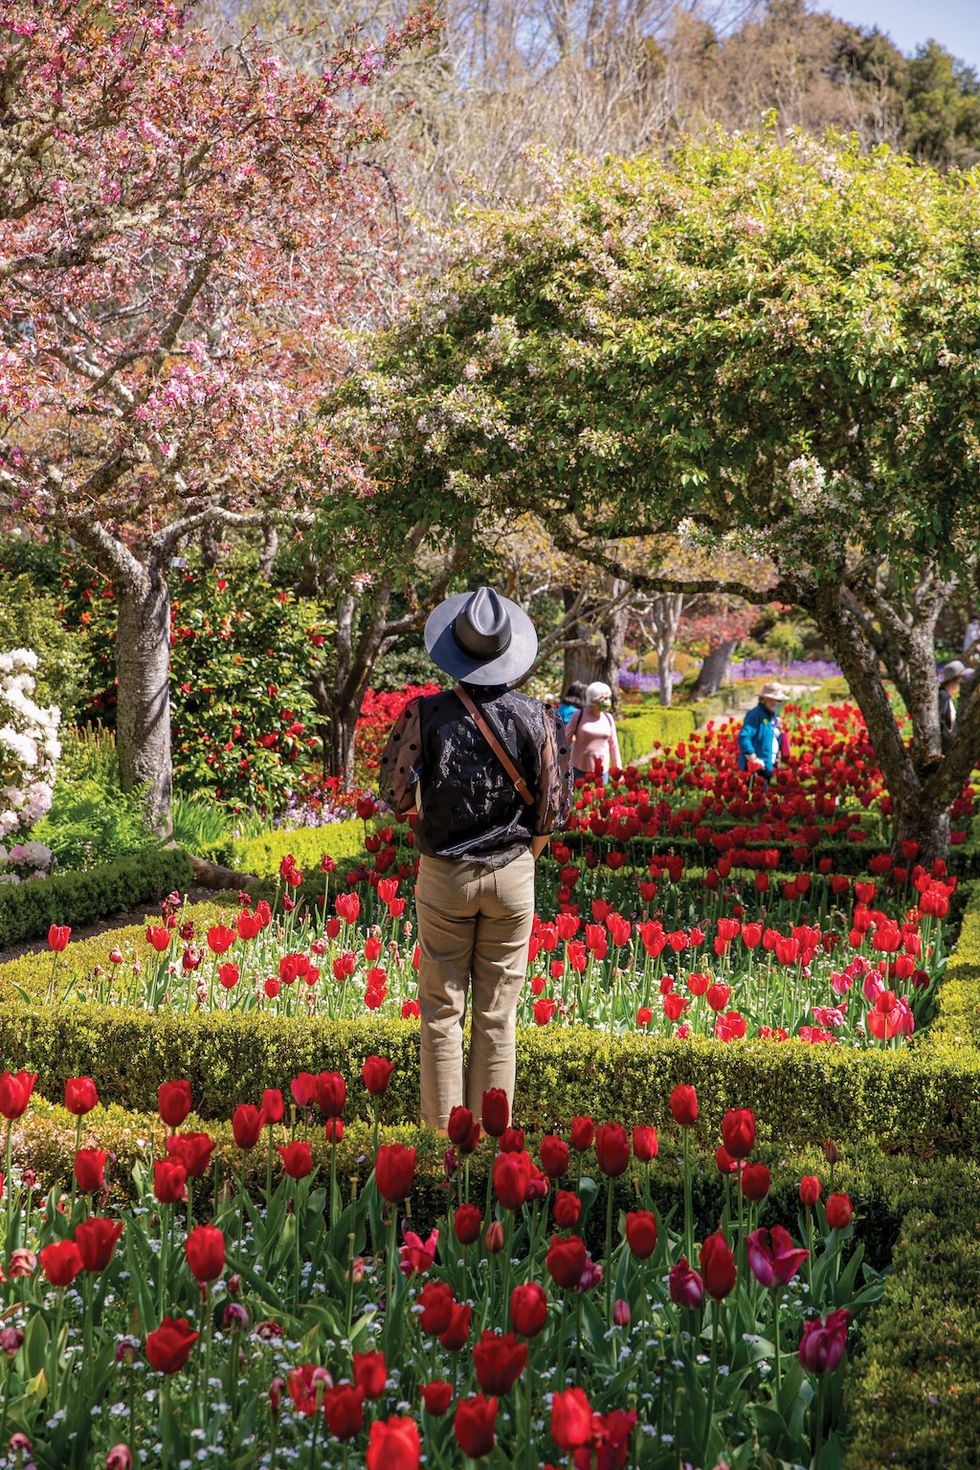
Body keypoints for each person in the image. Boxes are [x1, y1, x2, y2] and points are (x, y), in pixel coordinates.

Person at [379, 585, 571, 1132]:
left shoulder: (426, 714)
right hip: (512, 873)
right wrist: (523, 858)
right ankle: (490, 1144)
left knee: (442, 1013)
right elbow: (554, 810)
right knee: (497, 1016)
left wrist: (432, 827)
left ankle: (442, 1142)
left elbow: (395, 795)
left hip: (444, 873)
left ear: (455, 652)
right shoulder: (538, 718)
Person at [568, 680, 622, 783]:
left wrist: (618, 768)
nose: (607, 701)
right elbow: (566, 741)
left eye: (608, 698)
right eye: (603, 698)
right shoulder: (578, 715)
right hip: (579, 768)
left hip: (602, 771)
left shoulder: (608, 718)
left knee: (598, 799)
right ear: (592, 699)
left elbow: (614, 745)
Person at [737, 682, 788, 782]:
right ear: (765, 700)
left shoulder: (772, 716)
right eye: (776, 700)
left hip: (768, 764)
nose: (778, 704)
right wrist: (752, 757)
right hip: (757, 766)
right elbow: (744, 736)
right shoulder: (755, 715)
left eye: (780, 701)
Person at [938, 661, 968, 752]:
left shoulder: (947, 696)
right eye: (961, 679)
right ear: (953, 680)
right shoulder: (943, 696)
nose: (963, 682)